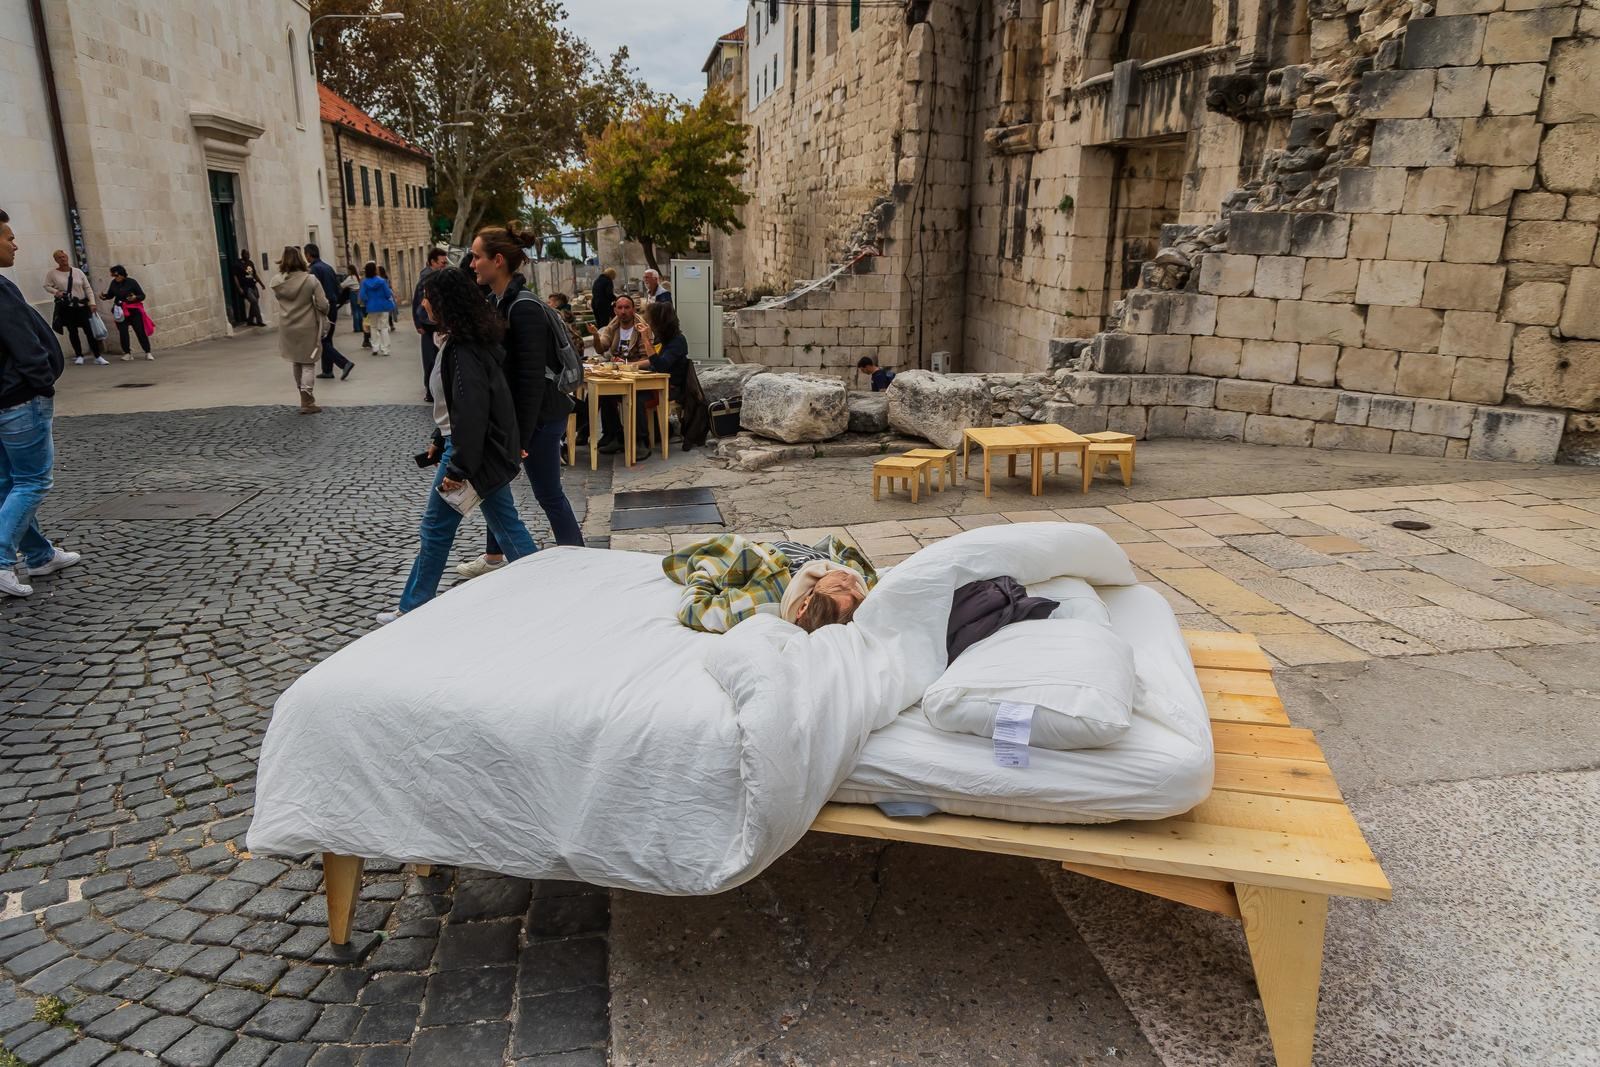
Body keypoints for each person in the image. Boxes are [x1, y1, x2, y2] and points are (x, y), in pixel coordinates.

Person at [376, 266, 538, 625]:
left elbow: (472, 411)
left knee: (436, 529)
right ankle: (544, 587)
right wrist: (438, 439)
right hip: (470, 447)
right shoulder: (462, 342)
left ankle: (413, 608)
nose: (423, 304)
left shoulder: (462, 349)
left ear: (444, 303)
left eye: (427, 298)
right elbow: (456, 405)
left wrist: (458, 467)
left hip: (468, 451)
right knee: (506, 526)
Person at [452, 224, 583, 580]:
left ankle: (581, 559)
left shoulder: (522, 308)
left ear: (498, 260)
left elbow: (530, 380)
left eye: (477, 257)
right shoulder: (498, 301)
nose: (472, 264)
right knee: (495, 486)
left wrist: (521, 437)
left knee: (548, 493)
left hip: (540, 418)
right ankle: (494, 556)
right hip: (520, 418)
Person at [0, 209, 80, 598]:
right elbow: (24, 343)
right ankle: (1, 560)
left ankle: (39, 555)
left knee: (8, 484)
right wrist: (43, 383)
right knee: (32, 481)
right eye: (8, 237)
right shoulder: (1, 290)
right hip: (18, 399)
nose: (15, 244)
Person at [662, 534, 876, 634]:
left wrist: (705, 571)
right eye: (854, 590)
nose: (850, 580)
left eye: (840, 588)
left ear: (803, 606)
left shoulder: (763, 602)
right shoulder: (859, 585)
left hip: (745, 553)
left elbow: (693, 610)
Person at [586, 294, 651, 456]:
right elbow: (601, 348)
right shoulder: (613, 327)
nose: (623, 311)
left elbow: (648, 358)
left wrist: (628, 365)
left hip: (639, 377)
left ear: (633, 309)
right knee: (603, 393)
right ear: (615, 310)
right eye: (620, 308)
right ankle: (614, 435)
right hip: (619, 376)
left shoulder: (642, 328)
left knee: (636, 397)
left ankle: (641, 440)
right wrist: (595, 335)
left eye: (627, 307)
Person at [270, 246, 330, 414]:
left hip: (287, 325)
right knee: (308, 363)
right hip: (307, 325)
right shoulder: (310, 280)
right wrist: (324, 311)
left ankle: (302, 394)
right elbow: (323, 304)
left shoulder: (277, 282)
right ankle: (307, 400)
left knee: (296, 361)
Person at [43, 249, 105, 365]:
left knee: (89, 330)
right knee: (72, 331)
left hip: (82, 305)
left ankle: (97, 356)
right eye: (59, 257)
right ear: (56, 260)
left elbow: (87, 288)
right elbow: (46, 286)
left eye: (64, 256)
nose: (63, 259)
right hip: (67, 307)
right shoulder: (52, 274)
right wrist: (56, 292)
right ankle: (79, 355)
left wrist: (92, 302)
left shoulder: (78, 272)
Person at [305, 244, 354, 380]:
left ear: (308, 254)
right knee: (327, 338)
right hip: (332, 305)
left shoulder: (314, 270)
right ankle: (327, 370)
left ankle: (344, 363)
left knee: (320, 340)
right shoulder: (328, 267)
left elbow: (313, 291)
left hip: (323, 307)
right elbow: (338, 287)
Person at [414, 247, 448, 402]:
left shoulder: (437, 277)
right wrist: (419, 323)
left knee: (434, 359)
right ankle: (431, 390)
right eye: (442, 263)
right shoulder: (428, 279)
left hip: (433, 323)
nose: (444, 265)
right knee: (431, 359)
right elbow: (418, 302)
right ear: (433, 262)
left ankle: (432, 390)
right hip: (430, 325)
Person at [102, 266, 156, 360]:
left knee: (140, 331)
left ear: (122, 274)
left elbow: (142, 295)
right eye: (114, 276)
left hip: (133, 310)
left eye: (117, 275)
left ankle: (147, 352)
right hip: (120, 311)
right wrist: (104, 296)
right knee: (123, 332)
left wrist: (135, 298)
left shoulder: (132, 282)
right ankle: (127, 353)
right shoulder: (114, 283)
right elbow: (111, 295)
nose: (115, 278)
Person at [358, 262, 396, 356]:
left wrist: (368, 301)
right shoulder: (382, 281)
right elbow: (388, 294)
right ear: (375, 270)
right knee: (384, 327)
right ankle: (385, 349)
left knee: (373, 327)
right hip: (383, 306)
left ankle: (375, 347)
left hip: (371, 306)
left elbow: (362, 295)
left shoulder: (364, 282)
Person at [233, 251, 266, 326]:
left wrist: (261, 284)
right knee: (254, 301)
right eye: (246, 254)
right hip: (245, 287)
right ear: (242, 255)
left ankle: (250, 320)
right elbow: (235, 277)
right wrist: (239, 288)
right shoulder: (238, 265)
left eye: (248, 254)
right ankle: (259, 321)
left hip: (253, 285)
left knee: (255, 302)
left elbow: (254, 275)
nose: (248, 256)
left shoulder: (250, 263)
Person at [342, 265, 365, 346]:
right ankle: (362, 327)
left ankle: (357, 328)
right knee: (360, 310)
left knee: (355, 311)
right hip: (359, 293)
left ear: (350, 270)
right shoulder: (358, 277)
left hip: (353, 293)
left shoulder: (350, 278)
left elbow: (342, 285)